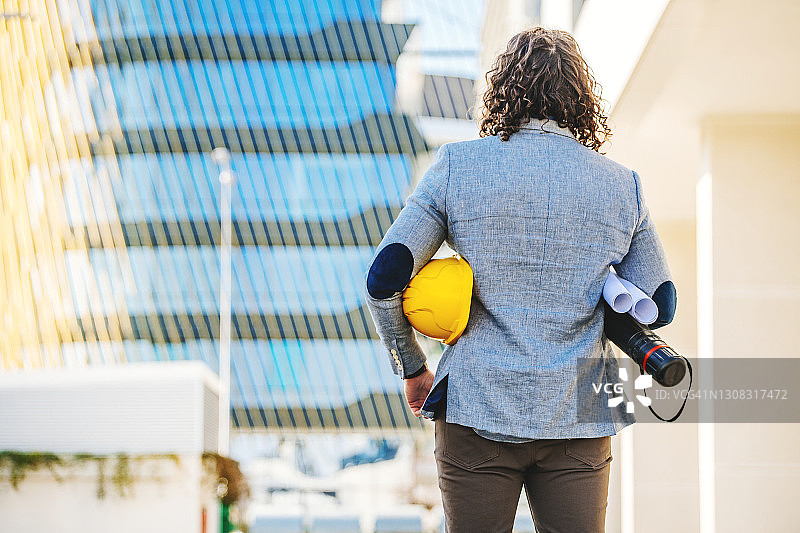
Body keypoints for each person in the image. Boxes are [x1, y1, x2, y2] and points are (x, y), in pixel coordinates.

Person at [364, 27, 676, 533]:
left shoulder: (457, 167)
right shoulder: (622, 185)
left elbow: (383, 278)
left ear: (503, 89)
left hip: (476, 408)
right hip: (582, 409)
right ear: (581, 100)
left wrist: (413, 366)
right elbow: (660, 302)